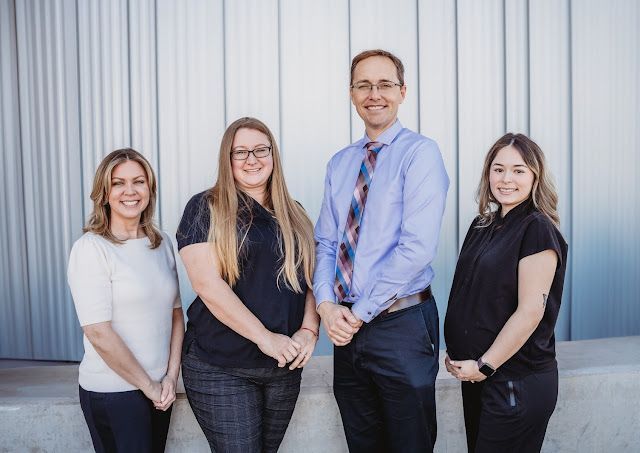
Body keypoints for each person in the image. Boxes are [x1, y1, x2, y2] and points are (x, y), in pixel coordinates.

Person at [314, 49, 449, 452]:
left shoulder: (420, 154)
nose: (375, 94)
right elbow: (325, 241)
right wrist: (325, 304)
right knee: (363, 442)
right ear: (352, 94)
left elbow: (416, 250)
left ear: (402, 91)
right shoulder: (340, 164)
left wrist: (356, 314)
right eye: (363, 85)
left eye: (385, 84)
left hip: (401, 324)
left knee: (410, 443)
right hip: (347, 332)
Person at [176, 117, 319, 453]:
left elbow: (314, 279)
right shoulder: (205, 207)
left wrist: (309, 330)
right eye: (240, 152)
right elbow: (207, 285)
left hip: (283, 366)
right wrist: (265, 338)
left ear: (273, 155)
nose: (251, 159)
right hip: (221, 364)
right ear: (227, 159)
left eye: (260, 150)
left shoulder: (294, 213)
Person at [444, 133, 568, 453]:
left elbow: (530, 312)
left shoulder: (536, 228)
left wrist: (484, 365)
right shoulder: (482, 225)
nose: (506, 178)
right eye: (498, 169)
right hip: (479, 377)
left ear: (535, 176)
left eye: (518, 170)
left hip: (514, 380)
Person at [67, 148, 184, 453]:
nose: (129, 191)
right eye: (118, 183)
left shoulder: (161, 243)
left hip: (160, 391)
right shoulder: (91, 249)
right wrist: (149, 386)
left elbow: (175, 316)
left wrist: (170, 378)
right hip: (115, 393)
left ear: (150, 189)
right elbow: (98, 332)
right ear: (103, 194)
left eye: (139, 181)